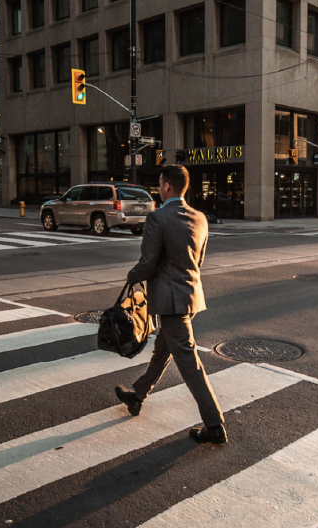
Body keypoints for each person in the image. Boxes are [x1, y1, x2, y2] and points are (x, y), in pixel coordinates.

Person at [115, 165, 226, 444]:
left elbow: (148, 263)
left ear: (167, 187)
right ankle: (137, 396)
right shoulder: (200, 218)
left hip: (169, 300)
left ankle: (214, 425)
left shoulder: (158, 218)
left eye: (160, 183)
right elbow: (197, 261)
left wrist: (132, 276)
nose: (159, 188)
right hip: (190, 296)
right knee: (163, 351)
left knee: (190, 364)